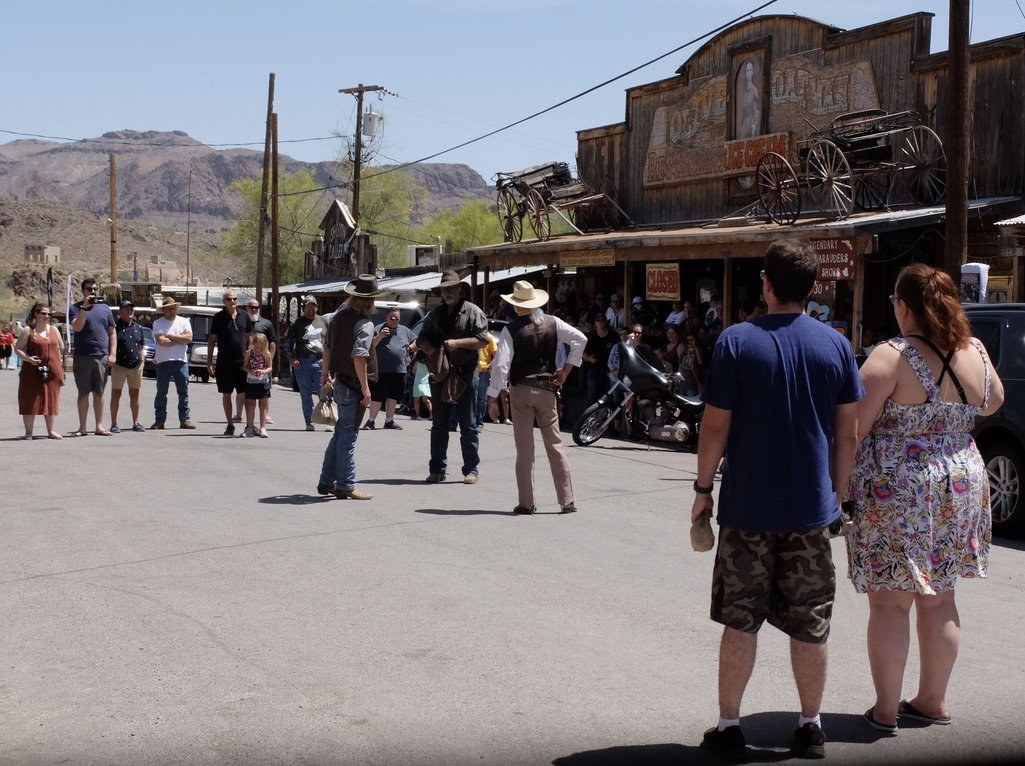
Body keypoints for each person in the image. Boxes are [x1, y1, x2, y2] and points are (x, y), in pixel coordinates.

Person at [689, 240, 863, 761]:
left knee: (740, 619)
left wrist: (701, 492)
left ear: (766, 283)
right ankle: (810, 727)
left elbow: (715, 426)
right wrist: (840, 494)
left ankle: (729, 727)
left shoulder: (736, 341)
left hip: (746, 510)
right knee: (811, 621)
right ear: (813, 290)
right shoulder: (834, 345)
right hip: (811, 510)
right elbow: (847, 434)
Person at [846, 263, 1004, 735]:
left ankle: (887, 710)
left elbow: (854, 429)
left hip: (901, 489)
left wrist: (837, 490)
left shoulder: (890, 356)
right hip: (960, 486)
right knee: (940, 599)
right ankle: (932, 701)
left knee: (891, 604)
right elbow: (992, 401)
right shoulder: (973, 349)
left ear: (903, 305)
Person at [487, 281, 586, 515]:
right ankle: (567, 500)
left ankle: (527, 502)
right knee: (555, 445)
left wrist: (493, 397)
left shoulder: (511, 329)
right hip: (547, 389)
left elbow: (501, 366)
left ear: (516, 305)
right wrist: (566, 369)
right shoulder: (553, 322)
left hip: (521, 390)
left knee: (525, 449)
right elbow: (580, 339)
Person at [416, 269, 488, 484]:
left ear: (459, 290)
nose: (448, 292)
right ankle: (437, 469)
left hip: (466, 373)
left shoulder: (473, 312)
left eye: (451, 288)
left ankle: (471, 470)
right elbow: (422, 339)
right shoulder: (435, 314)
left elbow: (482, 340)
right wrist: (433, 353)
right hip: (441, 375)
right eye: (444, 289)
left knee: (469, 425)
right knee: (439, 424)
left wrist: (457, 343)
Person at [317, 274, 382, 500]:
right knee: (348, 435)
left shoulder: (337, 318)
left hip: (340, 380)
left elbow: (327, 348)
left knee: (340, 433)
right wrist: (366, 389)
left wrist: (325, 374)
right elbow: (359, 357)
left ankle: (327, 481)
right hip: (352, 383)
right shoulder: (364, 324)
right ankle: (345, 484)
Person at [68, 277, 117, 437]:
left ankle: (99, 426)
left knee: (99, 392)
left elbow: (112, 332)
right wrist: (84, 308)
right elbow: (77, 327)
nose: (93, 292)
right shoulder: (74, 308)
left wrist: (113, 353)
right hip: (83, 356)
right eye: (89, 289)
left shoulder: (105, 309)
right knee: (83, 392)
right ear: (83, 291)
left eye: (95, 289)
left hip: (101, 355)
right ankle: (82, 427)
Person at [14, 302, 65, 439]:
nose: (47, 316)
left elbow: (60, 348)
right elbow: (18, 349)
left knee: (51, 399)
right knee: (30, 398)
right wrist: (29, 359)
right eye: (43, 313)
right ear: (36, 314)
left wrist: (61, 367)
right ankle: (29, 432)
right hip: (31, 370)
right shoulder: (28, 330)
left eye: (49, 314)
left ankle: (51, 431)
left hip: (52, 371)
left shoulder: (54, 330)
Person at [363, 308, 416, 430]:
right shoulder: (378, 329)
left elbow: (416, 342)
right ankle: (371, 421)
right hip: (382, 370)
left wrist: (411, 347)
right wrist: (381, 336)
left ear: (399, 318)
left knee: (393, 397)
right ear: (386, 317)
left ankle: (389, 421)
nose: (394, 319)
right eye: (391, 317)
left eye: (396, 317)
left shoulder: (405, 330)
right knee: (377, 397)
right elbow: (370, 346)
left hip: (400, 370)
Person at [208, 289, 252, 435]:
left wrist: (251, 356)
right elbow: (212, 340)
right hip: (224, 362)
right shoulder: (218, 317)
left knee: (244, 393)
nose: (232, 301)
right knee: (226, 393)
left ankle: (249, 425)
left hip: (242, 362)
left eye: (234, 299)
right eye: (229, 299)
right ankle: (230, 424)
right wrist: (209, 362)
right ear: (224, 301)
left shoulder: (244, 316)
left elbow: (248, 338)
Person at [150, 298, 195, 430]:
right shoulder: (158, 323)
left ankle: (185, 419)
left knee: (183, 392)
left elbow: (189, 338)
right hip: (163, 361)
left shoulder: (184, 321)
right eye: (169, 308)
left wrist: (171, 336)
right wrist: (180, 339)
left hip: (181, 361)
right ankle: (159, 420)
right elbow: (162, 342)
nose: (172, 310)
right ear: (163, 310)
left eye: (173, 308)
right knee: (162, 392)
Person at [286, 296, 328, 432]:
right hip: (303, 362)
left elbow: (331, 342)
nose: (311, 309)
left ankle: (329, 420)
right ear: (304, 308)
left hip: (320, 361)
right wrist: (292, 359)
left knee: (325, 391)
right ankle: (309, 422)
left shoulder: (324, 321)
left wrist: (329, 361)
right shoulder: (296, 324)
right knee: (306, 393)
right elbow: (287, 344)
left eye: (313, 306)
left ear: (317, 307)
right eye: (308, 306)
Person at [109, 300, 146, 433]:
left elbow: (141, 345)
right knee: (116, 394)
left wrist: (142, 357)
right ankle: (114, 423)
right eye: (126, 309)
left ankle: (136, 422)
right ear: (120, 312)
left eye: (131, 309)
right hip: (119, 366)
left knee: (135, 395)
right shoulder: (115, 328)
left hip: (136, 366)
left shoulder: (138, 328)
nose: (129, 311)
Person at [245, 298, 278, 425]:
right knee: (247, 395)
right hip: (248, 364)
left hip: (263, 366)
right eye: (251, 307)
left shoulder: (266, 323)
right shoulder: (242, 321)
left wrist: (269, 359)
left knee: (264, 395)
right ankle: (242, 416)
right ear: (246, 308)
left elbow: (273, 342)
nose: (254, 309)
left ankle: (265, 417)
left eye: (256, 307)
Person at [241, 331, 273, 438]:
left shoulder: (266, 353)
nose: (258, 348)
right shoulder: (249, 353)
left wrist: (263, 371)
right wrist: (250, 371)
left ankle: (263, 427)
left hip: (263, 382)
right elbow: (245, 366)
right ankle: (250, 427)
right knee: (250, 404)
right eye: (256, 345)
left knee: (263, 405)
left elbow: (270, 367)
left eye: (260, 346)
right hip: (251, 381)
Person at [582, 314, 616, 404]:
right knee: (592, 397)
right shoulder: (591, 336)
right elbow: (582, 351)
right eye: (598, 320)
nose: (600, 323)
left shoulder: (613, 335)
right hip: (594, 370)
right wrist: (589, 359)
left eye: (602, 320)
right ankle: (591, 417)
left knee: (609, 397)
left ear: (606, 321)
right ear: (595, 323)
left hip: (609, 371)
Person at [475, 330, 499, 426]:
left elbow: (496, 355)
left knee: (481, 398)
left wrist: (489, 366)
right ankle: (468, 422)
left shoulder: (489, 337)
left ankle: (479, 422)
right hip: (472, 370)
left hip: (483, 372)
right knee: (469, 396)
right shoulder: (473, 335)